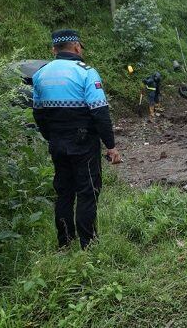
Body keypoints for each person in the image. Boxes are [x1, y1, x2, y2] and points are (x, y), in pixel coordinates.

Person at [32, 29, 121, 249]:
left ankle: (64, 243)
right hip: (83, 143)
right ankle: (88, 244)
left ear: (54, 49)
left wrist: (50, 136)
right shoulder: (86, 73)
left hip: (57, 142)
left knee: (63, 193)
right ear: (77, 47)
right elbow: (100, 112)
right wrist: (111, 146)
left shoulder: (40, 74)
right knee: (87, 191)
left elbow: (38, 113)